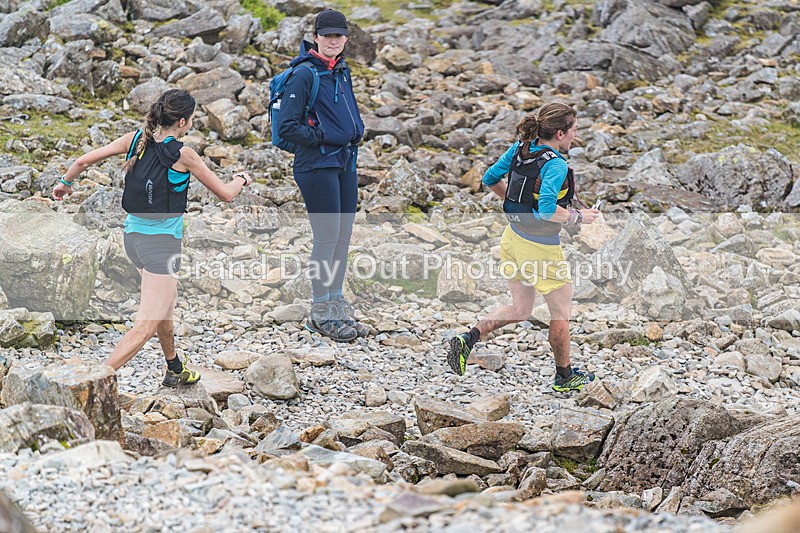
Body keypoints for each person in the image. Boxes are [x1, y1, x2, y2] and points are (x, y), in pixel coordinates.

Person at [53, 89, 253, 387]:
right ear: (182, 122)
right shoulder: (184, 155)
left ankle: (174, 367)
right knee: (145, 326)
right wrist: (241, 179)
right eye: (193, 119)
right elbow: (225, 194)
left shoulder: (136, 140)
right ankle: (88, 384)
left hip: (132, 239)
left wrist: (64, 183)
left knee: (165, 305)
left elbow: (83, 161)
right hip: (161, 247)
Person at [446, 103, 600, 392]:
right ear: (559, 133)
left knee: (520, 309)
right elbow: (546, 211)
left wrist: (517, 207)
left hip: (512, 238)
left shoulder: (521, 148)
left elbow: (489, 179)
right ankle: (564, 376)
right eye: (574, 130)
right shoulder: (556, 165)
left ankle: (469, 338)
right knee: (560, 312)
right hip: (541, 248)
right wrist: (580, 217)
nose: (575, 135)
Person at [276, 9, 368, 342]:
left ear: (345, 38)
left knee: (342, 237)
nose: (333, 40)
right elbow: (287, 125)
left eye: (338, 35)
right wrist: (323, 137)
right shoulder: (304, 74)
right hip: (316, 165)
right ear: (316, 37)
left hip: (344, 162)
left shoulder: (341, 70)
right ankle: (319, 312)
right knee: (327, 238)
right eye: (327, 35)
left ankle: (337, 305)